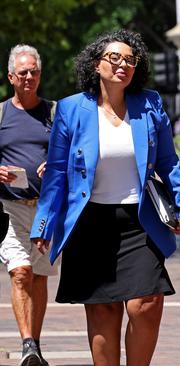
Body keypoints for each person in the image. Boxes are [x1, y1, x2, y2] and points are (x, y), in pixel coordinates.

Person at [30, 29, 180, 366]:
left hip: (139, 219)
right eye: (114, 58)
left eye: (131, 60)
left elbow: (168, 161)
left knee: (146, 302)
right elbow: (58, 171)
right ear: (96, 65)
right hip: (89, 221)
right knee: (103, 310)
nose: (123, 65)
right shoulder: (73, 109)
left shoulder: (149, 104)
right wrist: (44, 224)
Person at [0, 44, 58, 366]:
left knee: (39, 276)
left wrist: (55, 164)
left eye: (34, 71)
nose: (29, 77)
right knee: (20, 272)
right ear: (11, 77)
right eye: (22, 72)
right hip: (11, 208)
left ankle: (34, 345)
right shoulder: (1, 114)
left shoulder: (54, 112)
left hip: (48, 210)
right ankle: (26, 344)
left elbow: (72, 154)